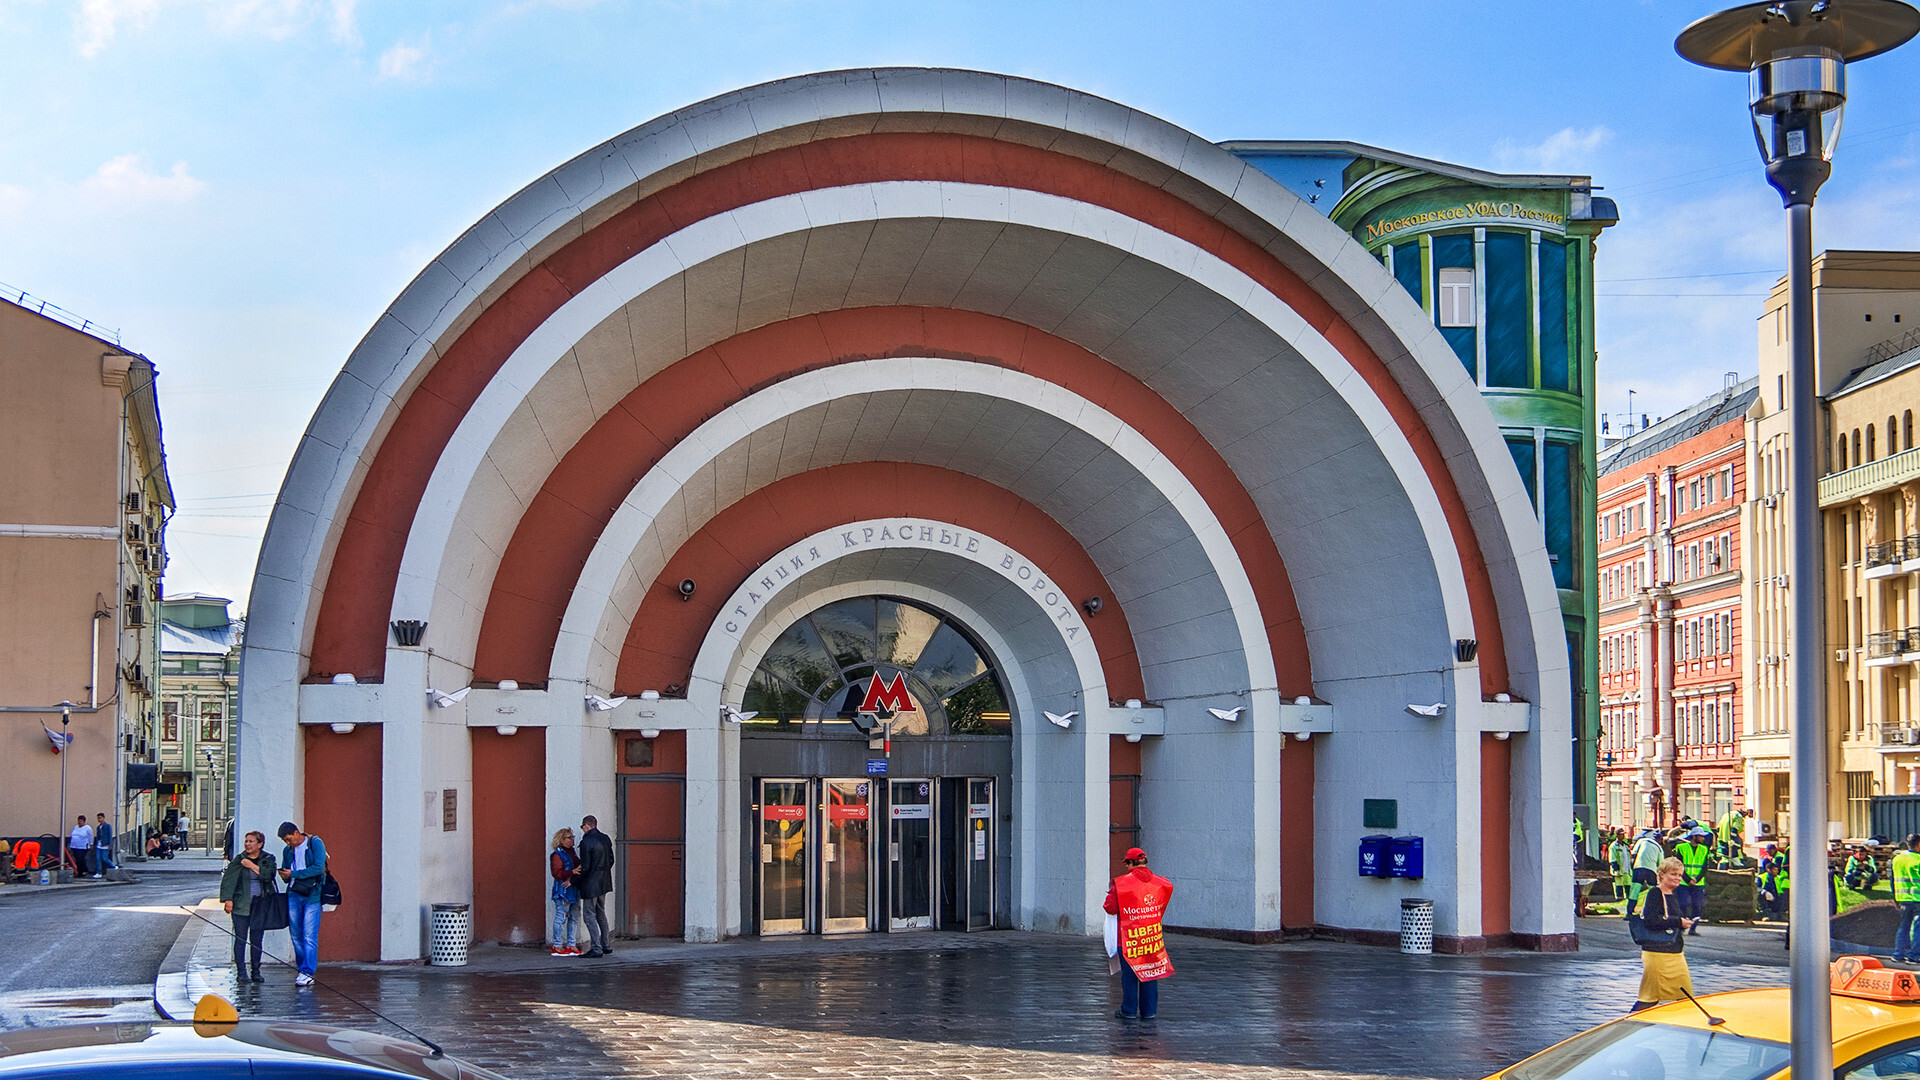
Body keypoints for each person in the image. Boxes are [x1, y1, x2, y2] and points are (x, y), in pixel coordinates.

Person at [1103, 846, 1174, 1020]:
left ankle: (1128, 1010)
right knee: (1150, 973)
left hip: (1129, 938)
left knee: (1130, 977)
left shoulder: (1121, 884)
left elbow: (1110, 908)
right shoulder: (1161, 882)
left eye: (1126, 864)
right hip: (1151, 937)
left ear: (1130, 863)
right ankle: (1149, 1011)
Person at [1632, 857, 1695, 1012]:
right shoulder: (1655, 893)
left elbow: (1669, 920)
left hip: (1674, 953)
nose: (1678, 878)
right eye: (1673, 874)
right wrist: (1679, 922)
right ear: (1661, 875)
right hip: (1657, 954)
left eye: (1680, 875)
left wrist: (1682, 923)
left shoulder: (1673, 894)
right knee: (1648, 999)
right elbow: (1651, 921)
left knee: (1685, 997)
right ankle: (1627, 1026)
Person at [219, 830, 279, 983]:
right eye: (246, 841)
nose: (247, 844)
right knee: (240, 939)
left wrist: (252, 866)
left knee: (257, 940)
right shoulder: (239, 860)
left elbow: (269, 875)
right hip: (241, 905)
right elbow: (229, 880)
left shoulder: (267, 859)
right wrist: (228, 899)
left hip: (260, 906)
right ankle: (241, 972)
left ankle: (256, 971)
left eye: (251, 841)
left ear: (260, 844)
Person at [277, 821, 328, 987]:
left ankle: (308, 971)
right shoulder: (287, 850)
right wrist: (285, 875)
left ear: (296, 833)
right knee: (296, 935)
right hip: (294, 893)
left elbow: (318, 868)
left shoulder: (315, 843)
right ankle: (302, 969)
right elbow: (287, 870)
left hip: (312, 894)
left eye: (288, 838)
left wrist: (295, 874)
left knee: (309, 936)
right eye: (285, 840)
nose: (287, 843)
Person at [576, 815, 615, 958]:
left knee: (589, 915)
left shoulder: (586, 841)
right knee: (601, 913)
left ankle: (596, 948)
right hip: (604, 882)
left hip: (590, 884)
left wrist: (574, 881)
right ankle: (606, 945)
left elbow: (585, 867)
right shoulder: (605, 838)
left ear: (586, 826)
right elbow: (611, 860)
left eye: (582, 827)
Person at [550, 828, 583, 957]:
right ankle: (557, 945)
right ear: (561, 840)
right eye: (569, 837)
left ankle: (571, 944)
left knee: (574, 917)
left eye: (573, 837)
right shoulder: (557, 855)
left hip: (574, 889)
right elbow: (557, 873)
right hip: (563, 890)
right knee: (561, 916)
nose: (572, 839)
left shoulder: (572, 853)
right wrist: (572, 872)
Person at [1674, 827, 1712, 935]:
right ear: (1694, 836)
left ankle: (1693, 928)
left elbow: (1704, 867)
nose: (1703, 838)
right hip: (1683, 882)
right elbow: (1679, 865)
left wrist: (1696, 879)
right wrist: (1688, 879)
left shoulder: (1704, 849)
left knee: (1697, 906)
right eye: (1701, 836)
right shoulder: (1681, 848)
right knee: (1682, 904)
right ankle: (1681, 927)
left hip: (1698, 883)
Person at [1892, 836, 1920, 963]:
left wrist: (1895, 898)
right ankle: (1914, 956)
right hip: (1918, 898)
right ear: (1918, 844)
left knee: (1903, 927)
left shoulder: (1898, 859)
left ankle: (1898, 954)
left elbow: (1893, 879)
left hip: (1903, 898)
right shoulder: (1918, 860)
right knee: (1917, 928)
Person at [1628, 829, 1663, 915]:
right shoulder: (1659, 849)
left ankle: (1629, 912)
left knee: (1634, 890)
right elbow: (1661, 864)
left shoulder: (1642, 841)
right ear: (1659, 840)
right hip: (1651, 870)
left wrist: (1632, 866)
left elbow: (1633, 854)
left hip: (1638, 868)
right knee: (1653, 890)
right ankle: (1652, 911)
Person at [1607, 829, 1631, 902]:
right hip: (1619, 869)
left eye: (1624, 834)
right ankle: (1619, 899)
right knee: (1619, 884)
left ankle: (1628, 899)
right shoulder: (1613, 846)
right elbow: (1612, 858)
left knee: (1628, 884)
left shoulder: (1625, 846)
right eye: (1621, 834)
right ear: (1617, 835)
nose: (1623, 836)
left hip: (1627, 869)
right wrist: (1615, 869)